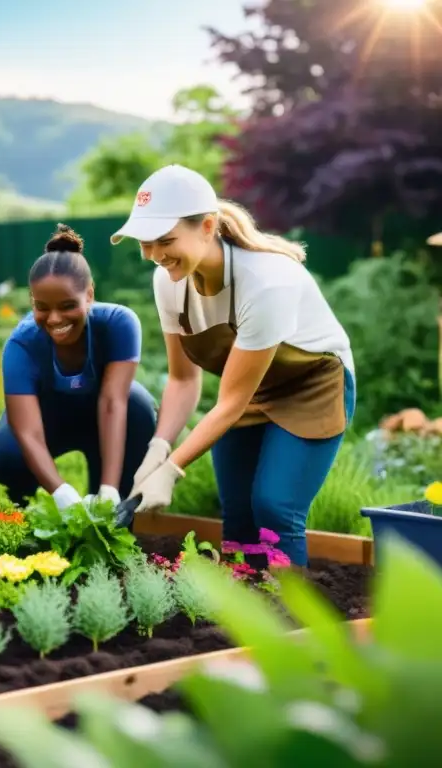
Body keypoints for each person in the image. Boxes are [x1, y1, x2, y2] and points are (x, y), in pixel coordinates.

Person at [112, 164, 355, 566]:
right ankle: (244, 611)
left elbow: (229, 402)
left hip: (312, 386)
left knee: (274, 507)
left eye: (165, 240)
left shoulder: (265, 281)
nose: (155, 256)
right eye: (145, 244)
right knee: (239, 514)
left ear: (207, 226)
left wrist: (171, 470)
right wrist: (159, 447)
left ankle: (288, 615)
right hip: (245, 390)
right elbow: (182, 378)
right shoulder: (169, 280)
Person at [0, 225, 157, 509]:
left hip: (101, 413)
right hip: (47, 417)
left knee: (138, 406)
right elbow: (27, 431)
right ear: (31, 301)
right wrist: (61, 492)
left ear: (89, 295)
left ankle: (117, 515)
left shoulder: (118, 324)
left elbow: (113, 402)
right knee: (5, 457)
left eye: (67, 305)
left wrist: (109, 489)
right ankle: (24, 510)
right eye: (42, 307)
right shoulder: (21, 345)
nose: (54, 319)